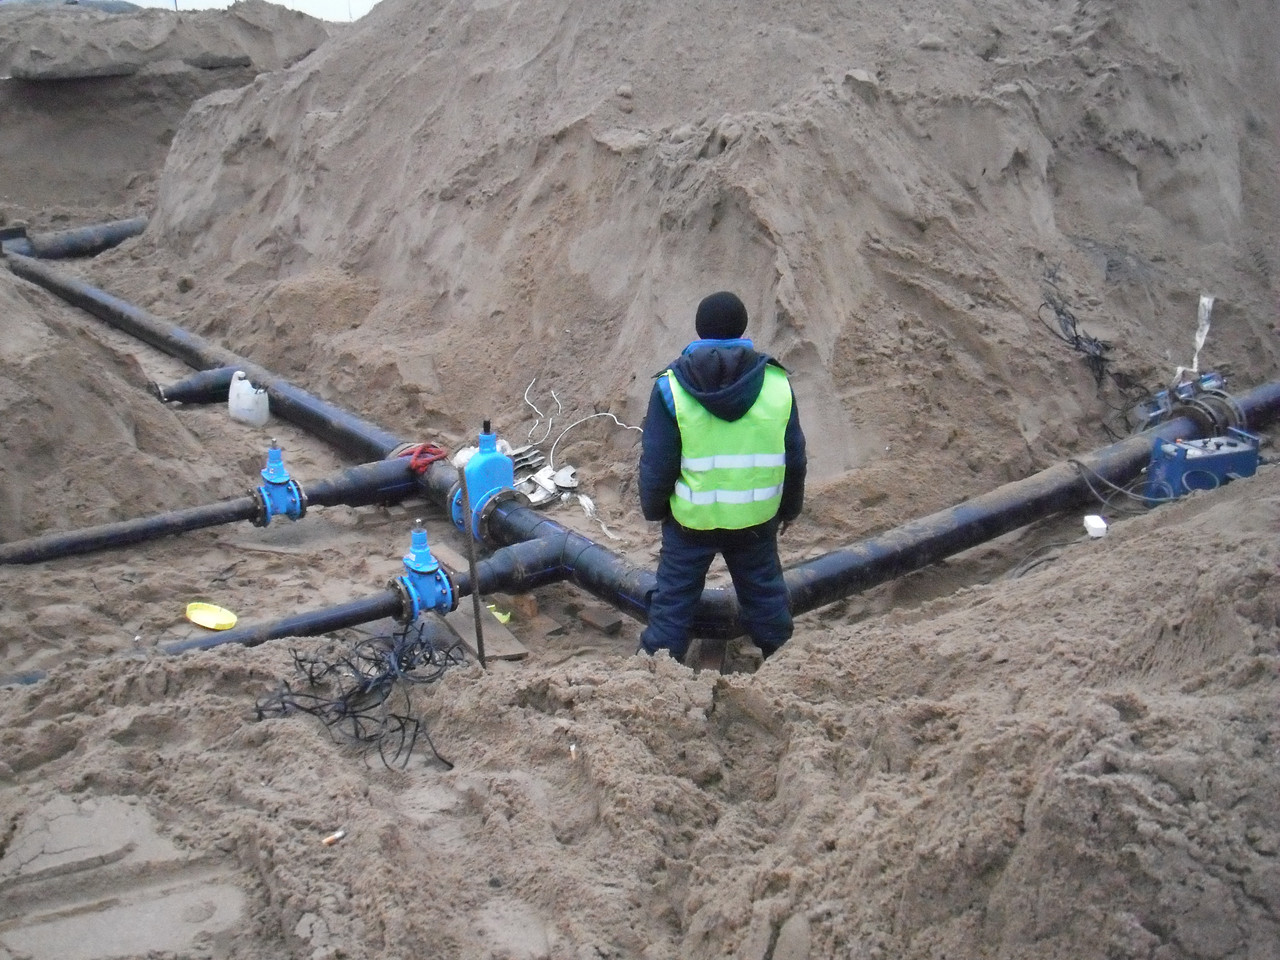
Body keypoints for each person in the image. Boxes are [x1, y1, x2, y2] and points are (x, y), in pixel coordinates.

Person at [637, 291, 807, 663]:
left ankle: (655, 675)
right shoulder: (777, 383)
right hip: (755, 519)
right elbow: (794, 457)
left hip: (691, 522)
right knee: (766, 599)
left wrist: (654, 509)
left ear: (699, 330)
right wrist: (790, 509)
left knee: (672, 604)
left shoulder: (670, 387)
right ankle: (785, 665)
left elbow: (658, 463)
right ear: (743, 328)